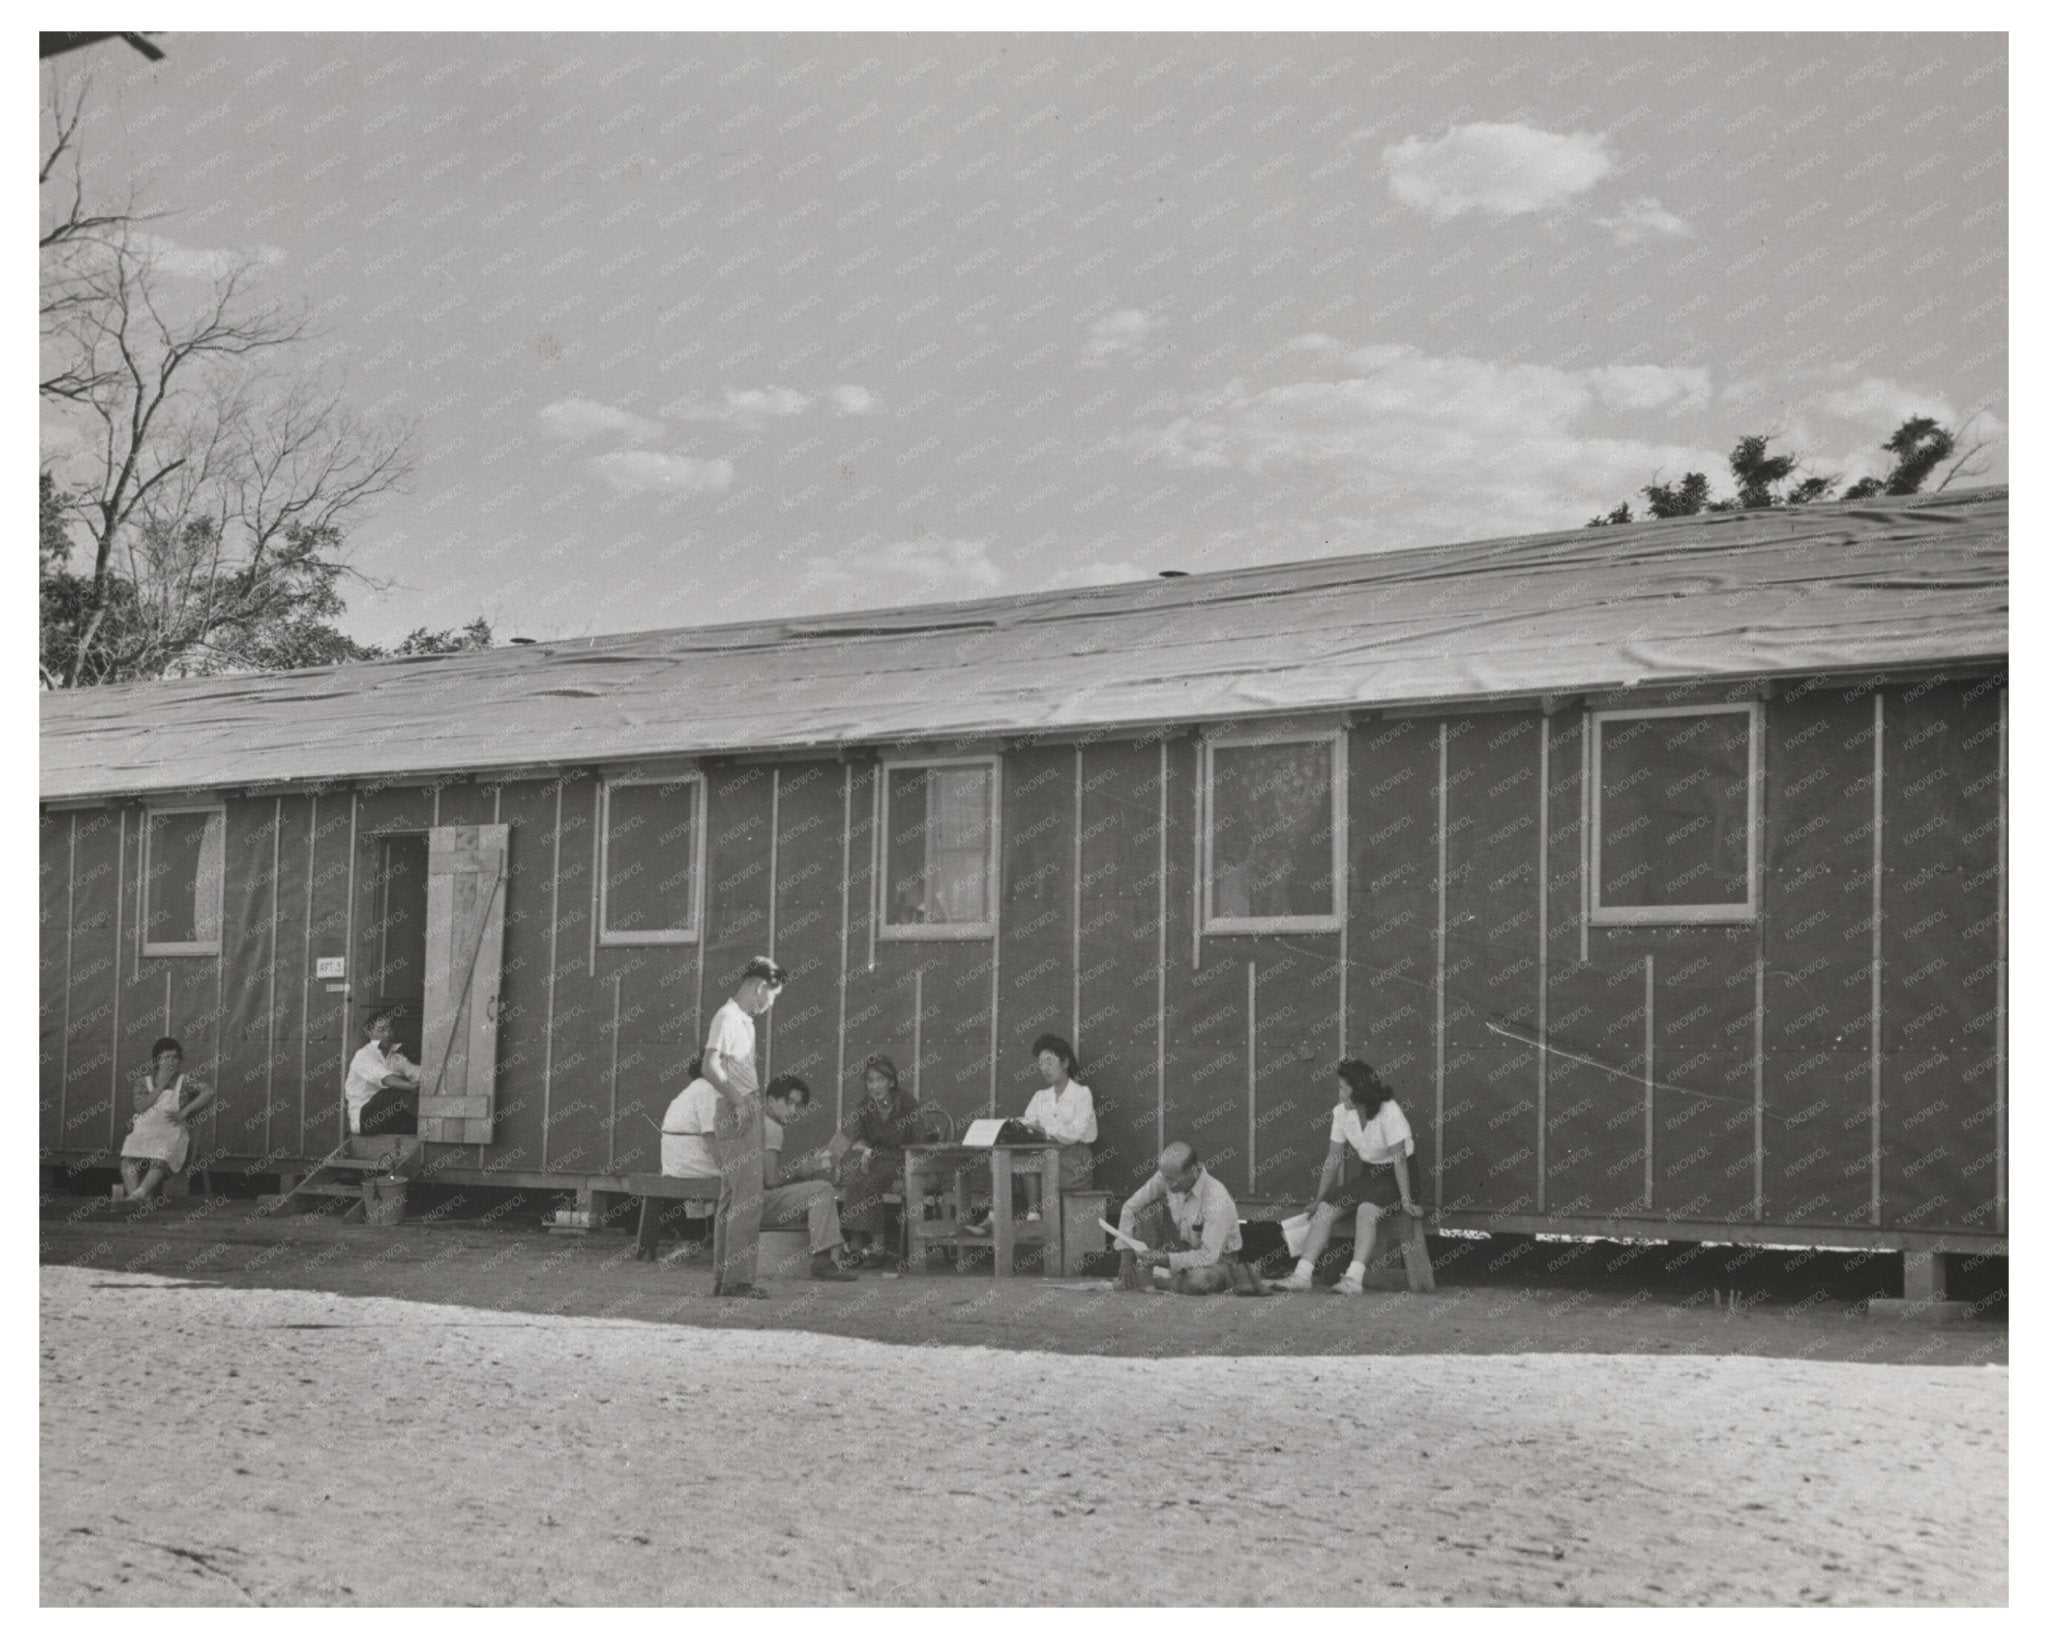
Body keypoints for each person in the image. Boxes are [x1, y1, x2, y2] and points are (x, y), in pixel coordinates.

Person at [1270, 1058, 1423, 1295]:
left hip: (1399, 1177)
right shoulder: (1340, 1113)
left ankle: (1353, 1279)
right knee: (1325, 1209)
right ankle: (1301, 1275)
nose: (1339, 1094)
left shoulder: (1389, 1110)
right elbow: (1333, 1158)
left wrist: (1406, 1200)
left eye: (1343, 1088)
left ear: (1359, 1090)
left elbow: (1400, 1161)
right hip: (1369, 1175)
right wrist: (1319, 1198)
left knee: (1366, 1210)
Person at [702, 956, 787, 1299]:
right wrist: (739, 1100)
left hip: (743, 1109)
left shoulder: (743, 1022)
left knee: (732, 1198)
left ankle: (726, 1279)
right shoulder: (727, 1017)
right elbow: (709, 1066)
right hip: (739, 1112)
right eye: (771, 996)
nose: (769, 1005)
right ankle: (738, 1281)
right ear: (759, 987)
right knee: (748, 1200)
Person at [966, 1033, 1096, 1234]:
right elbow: (1028, 1122)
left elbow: (1075, 1132)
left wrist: (1045, 1130)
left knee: (1029, 1161)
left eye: (1049, 1061)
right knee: (1001, 1160)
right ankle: (994, 1219)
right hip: (1045, 1158)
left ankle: (1033, 1220)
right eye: (1041, 1063)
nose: (1044, 1068)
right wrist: (1013, 1126)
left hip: (1073, 1162)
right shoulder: (1040, 1097)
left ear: (1065, 1062)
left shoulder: (1081, 1094)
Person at [1114, 1141, 1267, 1295]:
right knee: (1146, 1210)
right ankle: (1157, 1278)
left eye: (1173, 1179)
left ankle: (1154, 1280)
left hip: (1216, 1260)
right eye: (1164, 1178)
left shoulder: (1217, 1198)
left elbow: (1208, 1256)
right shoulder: (1167, 1176)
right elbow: (1130, 1208)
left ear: (1193, 1171)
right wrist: (1126, 1255)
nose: (1167, 1184)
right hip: (1181, 1248)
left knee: (1197, 1282)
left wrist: (1164, 1260)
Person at [827, 1053, 928, 1267]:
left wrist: (906, 1175)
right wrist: (862, 1146)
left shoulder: (907, 1103)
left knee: (869, 1181)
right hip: (874, 1159)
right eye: (870, 1081)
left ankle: (878, 1248)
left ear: (891, 1081)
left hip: (901, 1159)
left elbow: (919, 1142)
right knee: (855, 1179)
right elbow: (859, 1135)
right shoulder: (865, 1105)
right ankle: (856, 1248)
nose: (874, 1086)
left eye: (880, 1080)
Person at [758, 1073, 856, 1282]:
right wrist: (799, 1172)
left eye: (798, 1104)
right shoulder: (772, 1128)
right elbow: (771, 1181)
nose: (794, 1110)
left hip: (743, 1201)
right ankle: (823, 1261)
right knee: (822, 1189)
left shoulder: (757, 1121)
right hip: (759, 1203)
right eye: (789, 1102)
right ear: (770, 1101)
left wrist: (800, 1172)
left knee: (812, 1187)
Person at [118, 1037, 215, 1202]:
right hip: (144, 1132)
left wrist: (185, 1111)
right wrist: (161, 1086)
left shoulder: (184, 1081)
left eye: (175, 1057)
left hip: (171, 1132)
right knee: (128, 1159)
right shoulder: (143, 1082)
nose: (171, 1062)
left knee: (161, 1158)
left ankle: (138, 1196)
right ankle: (136, 1200)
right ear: (157, 1060)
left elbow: (208, 1092)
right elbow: (141, 1106)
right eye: (166, 1057)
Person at [654, 1054, 719, 1263]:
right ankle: (719, 1237)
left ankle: (696, 1238)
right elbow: (710, 1136)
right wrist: (729, 1167)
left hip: (676, 1166)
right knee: (743, 1173)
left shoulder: (690, 1090)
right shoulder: (710, 1090)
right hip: (692, 1166)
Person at [345, 1010, 421, 1137]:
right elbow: (387, 1079)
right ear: (369, 1033)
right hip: (365, 1120)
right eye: (381, 1030)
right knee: (399, 1087)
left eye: (390, 1029)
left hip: (385, 1118)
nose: (387, 1034)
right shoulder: (363, 1055)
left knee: (417, 1124)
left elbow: (417, 1073)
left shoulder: (396, 1057)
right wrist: (411, 1086)